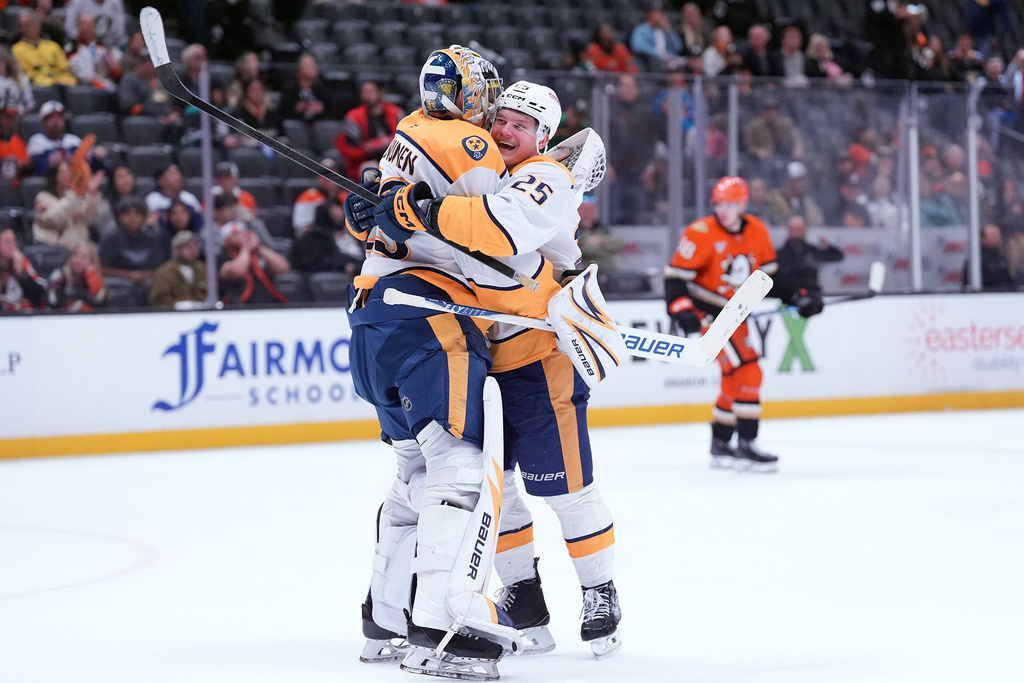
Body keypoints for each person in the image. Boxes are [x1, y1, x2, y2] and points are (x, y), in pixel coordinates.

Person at [343, 45, 537, 677]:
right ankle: (443, 629)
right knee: (456, 473)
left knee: (411, 479)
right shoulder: (471, 145)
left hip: (372, 315)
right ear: (470, 93)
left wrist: (380, 215)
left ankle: (385, 620)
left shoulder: (405, 132)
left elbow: (376, 219)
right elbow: (493, 245)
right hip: (430, 320)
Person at [473, 82, 623, 659]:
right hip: (487, 361)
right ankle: (524, 597)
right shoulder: (489, 171)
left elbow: (494, 235)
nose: (506, 130)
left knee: (566, 488)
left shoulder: (543, 178)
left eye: (521, 124)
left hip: (541, 359)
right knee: (499, 491)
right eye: (501, 119)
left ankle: (600, 593)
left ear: (543, 138)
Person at [664, 176, 780, 471]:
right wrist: (682, 309)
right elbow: (676, 278)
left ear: (743, 204)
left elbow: (769, 276)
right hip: (710, 318)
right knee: (749, 372)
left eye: (730, 204)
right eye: (719, 204)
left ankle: (721, 443)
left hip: (736, 317)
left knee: (733, 379)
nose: (723, 210)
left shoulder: (756, 229)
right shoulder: (700, 232)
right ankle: (747, 443)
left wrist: (802, 293)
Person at [771, 214, 843, 317]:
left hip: (813, 297)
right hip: (788, 300)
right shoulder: (779, 255)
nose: (797, 232)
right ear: (789, 231)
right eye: (794, 229)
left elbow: (837, 256)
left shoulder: (812, 251)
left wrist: (828, 246)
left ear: (805, 231)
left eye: (800, 229)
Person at [334, 80, 403, 180]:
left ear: (381, 93)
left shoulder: (396, 112)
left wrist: (379, 143)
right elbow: (343, 147)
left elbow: (407, 136)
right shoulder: (354, 117)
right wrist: (365, 150)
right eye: (364, 92)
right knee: (369, 170)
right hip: (365, 161)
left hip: (395, 159)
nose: (366, 95)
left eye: (370, 91)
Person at [31, 159, 104, 248]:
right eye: (63, 172)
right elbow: (56, 218)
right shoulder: (43, 198)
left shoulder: (78, 197)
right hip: (54, 250)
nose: (67, 175)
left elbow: (90, 219)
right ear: (55, 175)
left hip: (80, 248)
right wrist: (74, 195)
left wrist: (91, 194)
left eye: (69, 172)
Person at [217, 221, 291, 305]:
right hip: (239, 309)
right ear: (226, 240)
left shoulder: (257, 255)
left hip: (268, 306)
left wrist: (258, 247)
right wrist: (245, 248)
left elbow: (283, 267)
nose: (242, 236)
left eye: (243, 233)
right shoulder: (222, 258)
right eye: (235, 234)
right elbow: (236, 271)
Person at [98, 195, 164, 285]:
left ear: (144, 218)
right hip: (118, 288)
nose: (132, 218)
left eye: (137, 214)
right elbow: (102, 268)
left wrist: (144, 275)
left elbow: (161, 267)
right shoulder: (110, 238)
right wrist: (129, 275)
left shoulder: (153, 238)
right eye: (127, 214)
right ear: (119, 217)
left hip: (149, 285)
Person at [11, 10, 77, 87]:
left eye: (27, 24)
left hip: (60, 82)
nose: (24, 28)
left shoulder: (52, 46)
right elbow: (25, 73)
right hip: (38, 84)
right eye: (21, 25)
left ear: (37, 25)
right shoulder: (17, 49)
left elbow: (64, 67)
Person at [148, 230, 208, 307]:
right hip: (174, 316)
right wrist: (178, 304)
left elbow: (212, 294)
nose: (192, 249)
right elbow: (158, 300)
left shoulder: (203, 269)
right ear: (175, 250)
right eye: (187, 246)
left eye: (194, 245)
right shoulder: (165, 271)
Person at [67, 13, 123, 92]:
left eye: (89, 25)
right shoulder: (70, 47)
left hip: (105, 86)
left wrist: (112, 67)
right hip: (80, 87)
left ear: (94, 26)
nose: (86, 28)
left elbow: (117, 72)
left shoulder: (104, 48)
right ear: (78, 27)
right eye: (83, 25)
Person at [26, 101, 83, 176]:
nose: (56, 121)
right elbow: (41, 168)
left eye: (59, 117)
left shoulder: (73, 140)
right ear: (43, 123)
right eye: (51, 117)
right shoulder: (36, 141)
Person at [46, 242, 107, 311]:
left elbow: (99, 302)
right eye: (75, 255)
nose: (78, 261)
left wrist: (91, 275)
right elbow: (52, 302)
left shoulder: (93, 276)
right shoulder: (60, 275)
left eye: (84, 257)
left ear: (92, 261)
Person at [145, 163, 202, 234]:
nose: (178, 177)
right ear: (161, 180)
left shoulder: (190, 198)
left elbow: (199, 224)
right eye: (173, 174)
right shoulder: (152, 199)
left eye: (179, 173)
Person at [0, 227, 48, 312]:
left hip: (22, 315)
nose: (12, 247)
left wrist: (21, 273)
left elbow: (40, 296)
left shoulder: (23, 263)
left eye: (14, 242)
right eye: (7, 242)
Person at [277, 53, 333, 123]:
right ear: (299, 70)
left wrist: (321, 108)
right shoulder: (290, 89)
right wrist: (298, 108)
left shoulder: (322, 87)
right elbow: (283, 111)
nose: (313, 68)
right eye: (308, 65)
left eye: (314, 65)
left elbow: (331, 110)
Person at [767, 161, 825, 227]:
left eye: (803, 179)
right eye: (799, 180)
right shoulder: (773, 200)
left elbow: (817, 222)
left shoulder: (807, 202)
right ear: (789, 181)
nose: (804, 183)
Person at [964, 223, 1015, 291]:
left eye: (998, 234)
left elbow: (1009, 280)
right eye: (993, 235)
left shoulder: (1001, 257)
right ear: (982, 237)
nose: (997, 237)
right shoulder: (976, 259)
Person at [62, 0, 128, 50]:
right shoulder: (78, 2)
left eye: (89, 25)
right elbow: (69, 27)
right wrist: (80, 42)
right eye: (86, 25)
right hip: (80, 44)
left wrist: (105, 47)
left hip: (108, 46)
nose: (88, 28)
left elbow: (119, 31)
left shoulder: (115, 3)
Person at [0, 97, 31, 185]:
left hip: (14, 189)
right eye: (7, 117)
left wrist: (19, 163)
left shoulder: (17, 140)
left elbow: (26, 163)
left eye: (13, 118)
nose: (10, 121)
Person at [0, 46, 36, 115]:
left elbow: (29, 103)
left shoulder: (22, 79)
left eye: (1, 61)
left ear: (6, 62)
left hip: (19, 115)